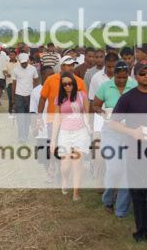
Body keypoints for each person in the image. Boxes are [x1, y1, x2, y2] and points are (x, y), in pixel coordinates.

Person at [110, 60, 147, 242]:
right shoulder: (128, 98)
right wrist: (132, 132)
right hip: (136, 152)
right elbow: (113, 123)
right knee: (138, 193)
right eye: (142, 73)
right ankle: (141, 230)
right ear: (136, 76)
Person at [92, 60, 136, 218]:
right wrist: (103, 112)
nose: (122, 80)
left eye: (125, 77)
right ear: (114, 74)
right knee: (114, 168)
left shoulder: (134, 86)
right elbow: (95, 105)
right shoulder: (106, 86)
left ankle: (121, 209)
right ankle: (108, 200)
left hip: (129, 132)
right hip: (110, 132)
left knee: (126, 170)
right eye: (119, 77)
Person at [50, 71, 91, 201]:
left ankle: (76, 192)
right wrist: (53, 140)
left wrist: (89, 128)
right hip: (65, 133)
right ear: (62, 86)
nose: (67, 86)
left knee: (77, 163)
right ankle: (64, 178)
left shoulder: (82, 95)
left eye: (69, 83)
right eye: (64, 84)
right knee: (65, 167)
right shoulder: (59, 99)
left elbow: (87, 113)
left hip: (80, 132)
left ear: (73, 83)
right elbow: (57, 119)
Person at [12, 52, 39, 142]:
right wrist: (13, 99)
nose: (24, 64)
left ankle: (26, 135)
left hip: (30, 96)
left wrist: (34, 94)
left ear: (28, 60)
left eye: (25, 62)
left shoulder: (33, 69)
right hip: (19, 95)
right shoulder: (15, 69)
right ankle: (21, 136)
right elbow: (14, 84)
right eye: (22, 63)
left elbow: (36, 81)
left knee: (27, 118)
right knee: (20, 117)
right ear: (19, 61)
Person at [4, 49, 18, 114]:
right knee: (10, 98)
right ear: (9, 56)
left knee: (17, 98)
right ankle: (10, 111)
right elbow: (4, 70)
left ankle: (16, 110)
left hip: (17, 83)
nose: (11, 56)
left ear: (16, 55)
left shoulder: (19, 63)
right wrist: (6, 74)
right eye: (10, 55)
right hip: (9, 83)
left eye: (13, 55)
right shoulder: (6, 63)